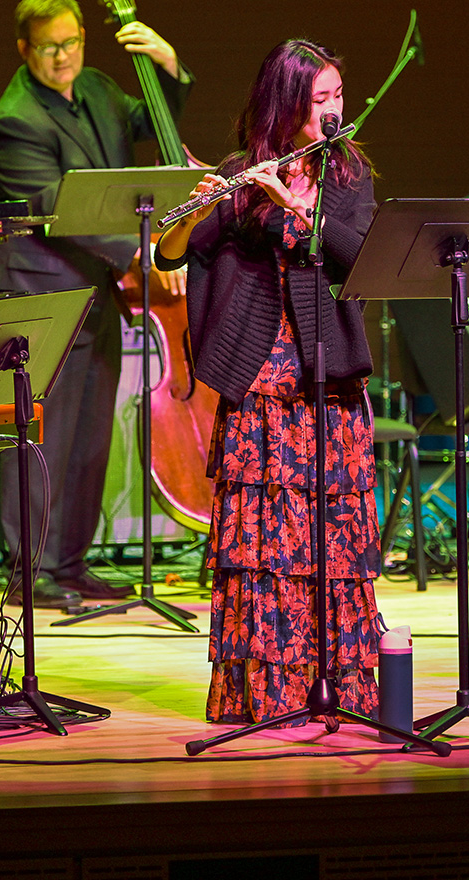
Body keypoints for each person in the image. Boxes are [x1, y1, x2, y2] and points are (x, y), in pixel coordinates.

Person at [154, 39, 380, 724]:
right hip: (260, 383)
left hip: (327, 382)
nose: (335, 111)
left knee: (331, 541)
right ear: (286, 106)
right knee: (267, 545)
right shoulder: (241, 172)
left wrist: (299, 209)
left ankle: (336, 688)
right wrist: (199, 211)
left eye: (340, 96)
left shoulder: (348, 174)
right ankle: (269, 692)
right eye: (321, 100)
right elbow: (170, 253)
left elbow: (363, 257)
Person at [0, 0, 194, 609]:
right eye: (49, 47)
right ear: (25, 49)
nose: (63, 56)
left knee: (90, 438)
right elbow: (60, 209)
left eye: (71, 41)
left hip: (95, 290)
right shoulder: (15, 118)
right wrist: (142, 252)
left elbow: (148, 121)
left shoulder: (98, 87)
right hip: (39, 293)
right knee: (42, 439)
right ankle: (32, 572)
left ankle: (71, 563)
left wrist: (168, 68)